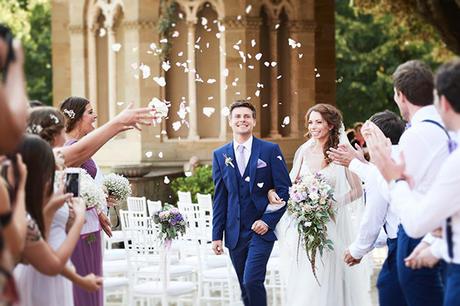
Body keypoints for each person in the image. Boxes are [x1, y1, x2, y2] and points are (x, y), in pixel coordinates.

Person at [367, 59, 460, 306]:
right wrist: (437, 243)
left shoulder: (418, 135)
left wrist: (389, 175)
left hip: (421, 232)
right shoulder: (446, 137)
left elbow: (414, 217)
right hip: (439, 238)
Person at [270, 103, 372, 306]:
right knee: (306, 278)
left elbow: (357, 190)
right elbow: (291, 186)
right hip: (304, 226)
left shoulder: (342, 151)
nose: (313, 126)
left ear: (331, 125)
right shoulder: (304, 151)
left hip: (331, 225)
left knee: (330, 277)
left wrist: (332, 203)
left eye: (318, 122)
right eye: (310, 122)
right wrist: (275, 192)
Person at [211, 100, 291, 306]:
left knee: (252, 280)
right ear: (230, 121)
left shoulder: (270, 150)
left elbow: (285, 190)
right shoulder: (220, 155)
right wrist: (216, 235)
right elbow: (220, 197)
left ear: (254, 121)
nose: (242, 120)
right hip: (234, 232)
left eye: (247, 116)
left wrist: (267, 220)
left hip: (261, 230)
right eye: (237, 116)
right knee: (244, 286)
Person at [327, 110, 407, 306]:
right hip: (402, 240)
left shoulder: (384, 166)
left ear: (380, 137)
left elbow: (375, 215)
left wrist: (357, 250)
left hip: (404, 244)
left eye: (369, 135)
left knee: (390, 291)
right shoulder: (402, 156)